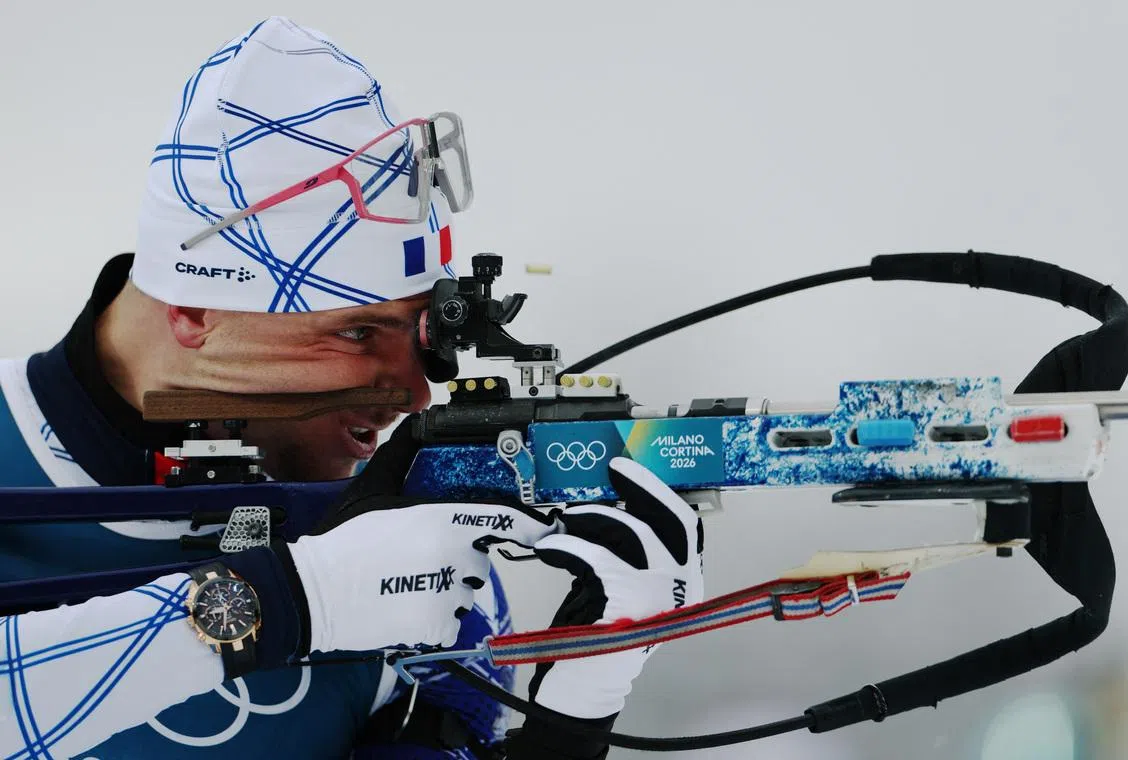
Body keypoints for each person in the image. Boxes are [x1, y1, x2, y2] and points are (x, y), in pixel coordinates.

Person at [0, 16, 704, 760]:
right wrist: (289, 604)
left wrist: (567, 726)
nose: (415, 396)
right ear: (197, 309)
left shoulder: (387, 529)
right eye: (356, 333)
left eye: (422, 336)